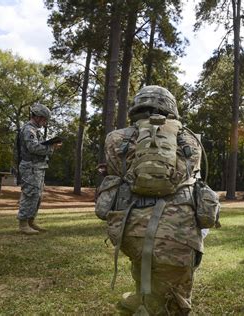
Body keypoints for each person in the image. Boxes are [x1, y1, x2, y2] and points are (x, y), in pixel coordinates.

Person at [97, 85, 215, 315]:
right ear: (171, 108)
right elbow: (193, 175)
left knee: (142, 259)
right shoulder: (191, 140)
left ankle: (147, 297)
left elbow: (116, 175)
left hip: (130, 231)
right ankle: (159, 301)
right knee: (174, 302)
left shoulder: (115, 138)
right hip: (178, 234)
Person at [17, 103, 62, 235]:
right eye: (44, 119)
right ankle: (23, 224)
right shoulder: (28, 130)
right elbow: (33, 147)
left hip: (37, 167)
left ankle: (31, 221)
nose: (45, 122)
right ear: (37, 117)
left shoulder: (35, 130)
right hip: (30, 167)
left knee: (37, 195)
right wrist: (51, 147)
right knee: (30, 193)